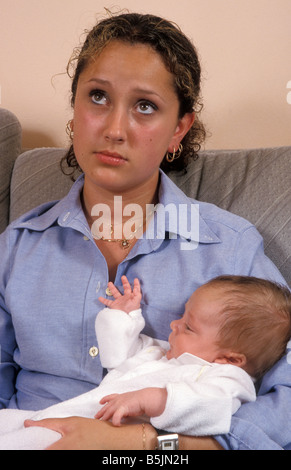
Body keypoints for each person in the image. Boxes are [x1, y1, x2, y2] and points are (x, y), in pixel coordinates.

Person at [0, 12, 290, 450]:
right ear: (75, 111)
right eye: (97, 97)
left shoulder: (229, 248)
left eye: (145, 106)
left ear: (179, 129)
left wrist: (147, 445)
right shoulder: (17, 247)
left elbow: (284, 403)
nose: (114, 129)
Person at [0, 274, 289, 450]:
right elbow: (117, 356)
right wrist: (125, 317)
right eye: (182, 316)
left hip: (92, 434)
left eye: (188, 327)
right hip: (57, 415)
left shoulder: (226, 378)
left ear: (229, 358)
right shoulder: (161, 352)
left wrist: (155, 399)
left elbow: (214, 407)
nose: (174, 324)